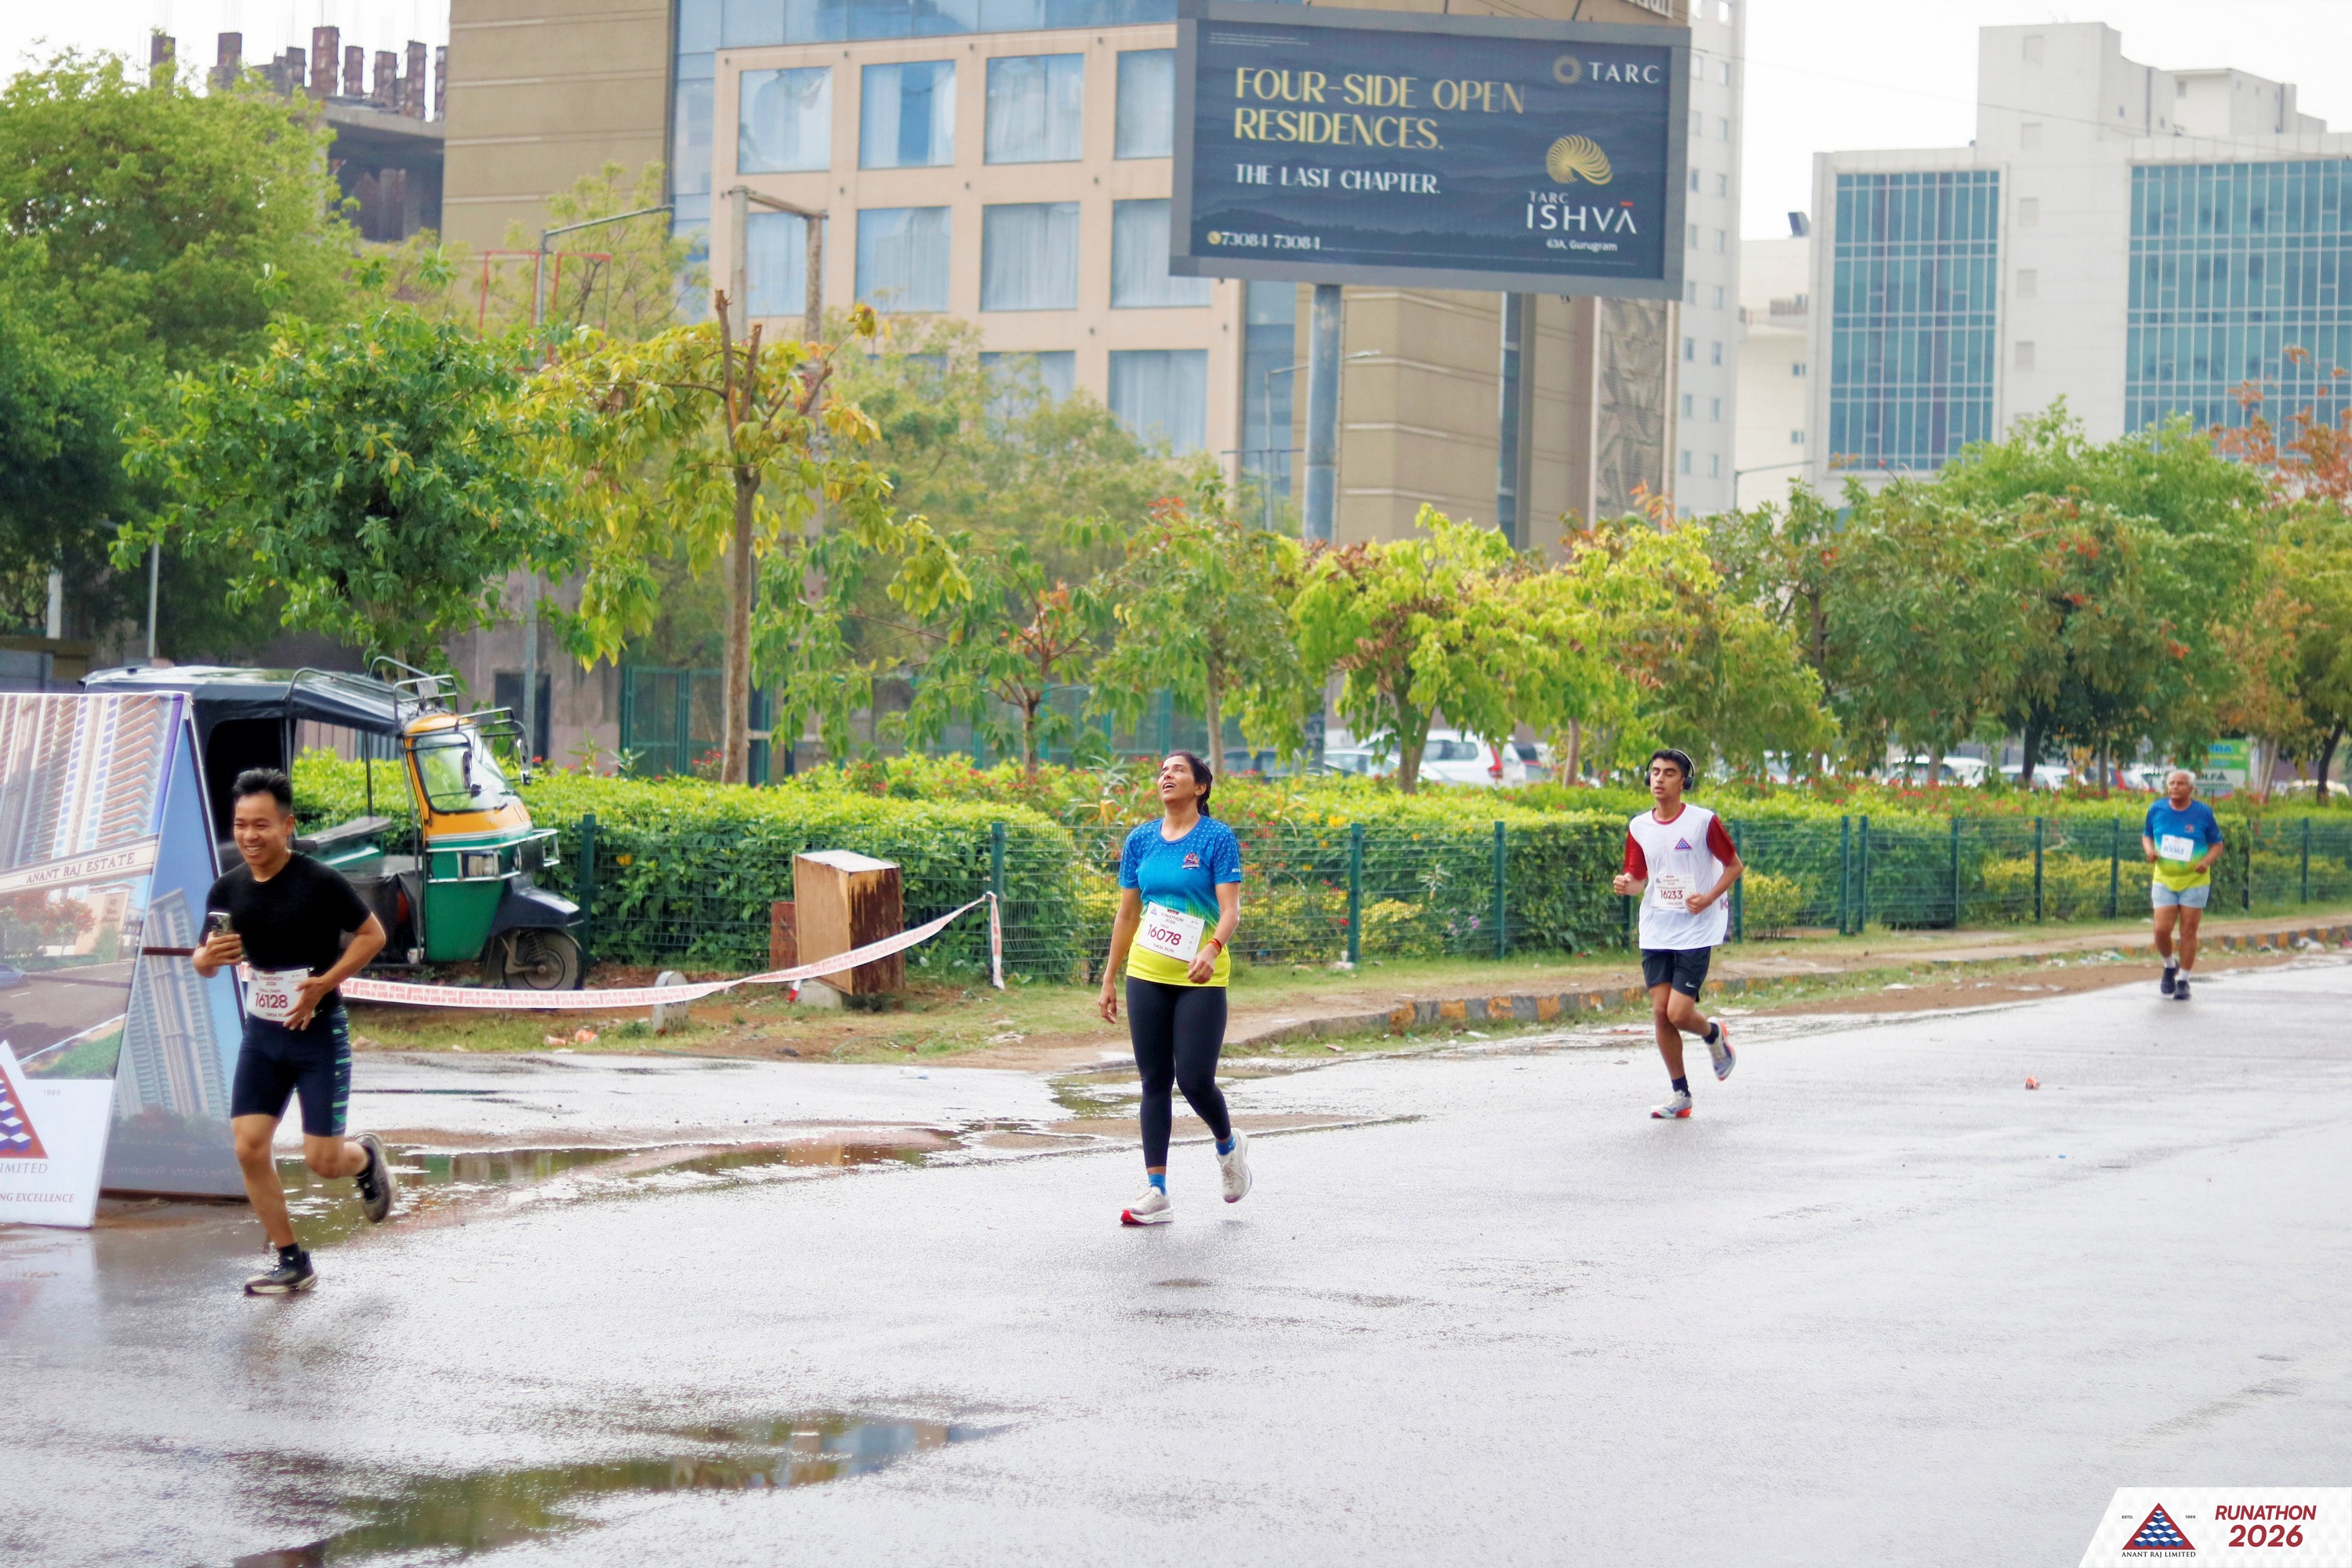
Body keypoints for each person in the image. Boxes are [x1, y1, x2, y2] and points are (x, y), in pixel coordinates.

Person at [194, 768, 397, 1295]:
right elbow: (203, 960)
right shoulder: (227, 889)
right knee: (248, 1147)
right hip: (263, 1037)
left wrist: (325, 983)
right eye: (241, 824)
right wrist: (207, 958)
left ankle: (365, 1159)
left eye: (261, 825)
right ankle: (292, 1260)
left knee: (322, 1161)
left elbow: (372, 934)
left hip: (317, 1034)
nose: (249, 836)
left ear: (287, 826)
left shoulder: (319, 882)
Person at [1097, 751, 1251, 1225]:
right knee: (1154, 1080)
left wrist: (1213, 948)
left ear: (1200, 787)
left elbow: (1230, 910)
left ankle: (1228, 1146)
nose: (1166, 775)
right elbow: (1127, 914)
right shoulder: (1141, 839)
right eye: (1163, 770)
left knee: (1195, 1080)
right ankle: (1157, 1190)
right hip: (1146, 973)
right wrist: (1109, 976)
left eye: (1178, 769)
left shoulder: (1217, 837)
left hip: (1200, 978)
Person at [1610, 748, 1744, 1120]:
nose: (1659, 778)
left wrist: (1708, 898)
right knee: (1660, 1013)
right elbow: (1639, 880)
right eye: (1655, 772)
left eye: (1669, 773)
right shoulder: (1639, 826)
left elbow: (1734, 866)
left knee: (1679, 1013)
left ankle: (1713, 1034)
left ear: (1684, 781)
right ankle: (1681, 1095)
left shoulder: (1703, 822)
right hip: (1656, 929)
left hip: (1696, 929)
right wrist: (1626, 884)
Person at [2143, 768, 2224, 1001]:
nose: (2175, 787)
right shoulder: (2157, 809)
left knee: (2188, 931)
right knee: (2161, 929)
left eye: (2180, 784)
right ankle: (2170, 965)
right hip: (2164, 879)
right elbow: (2147, 835)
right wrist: (2150, 851)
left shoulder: (2203, 813)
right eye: (2172, 783)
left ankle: (2184, 981)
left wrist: (2206, 862)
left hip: (2194, 881)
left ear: (2191, 788)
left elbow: (2217, 845)